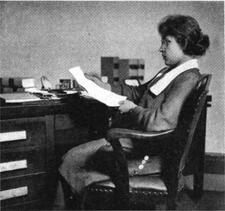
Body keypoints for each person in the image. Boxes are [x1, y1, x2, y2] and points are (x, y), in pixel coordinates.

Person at [58, 14, 210, 208]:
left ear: (184, 43)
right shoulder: (171, 72)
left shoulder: (187, 78)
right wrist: (105, 87)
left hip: (145, 152)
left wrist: (131, 109)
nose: (161, 48)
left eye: (167, 42)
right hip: (133, 143)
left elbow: (160, 122)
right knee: (71, 159)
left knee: (72, 161)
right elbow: (137, 92)